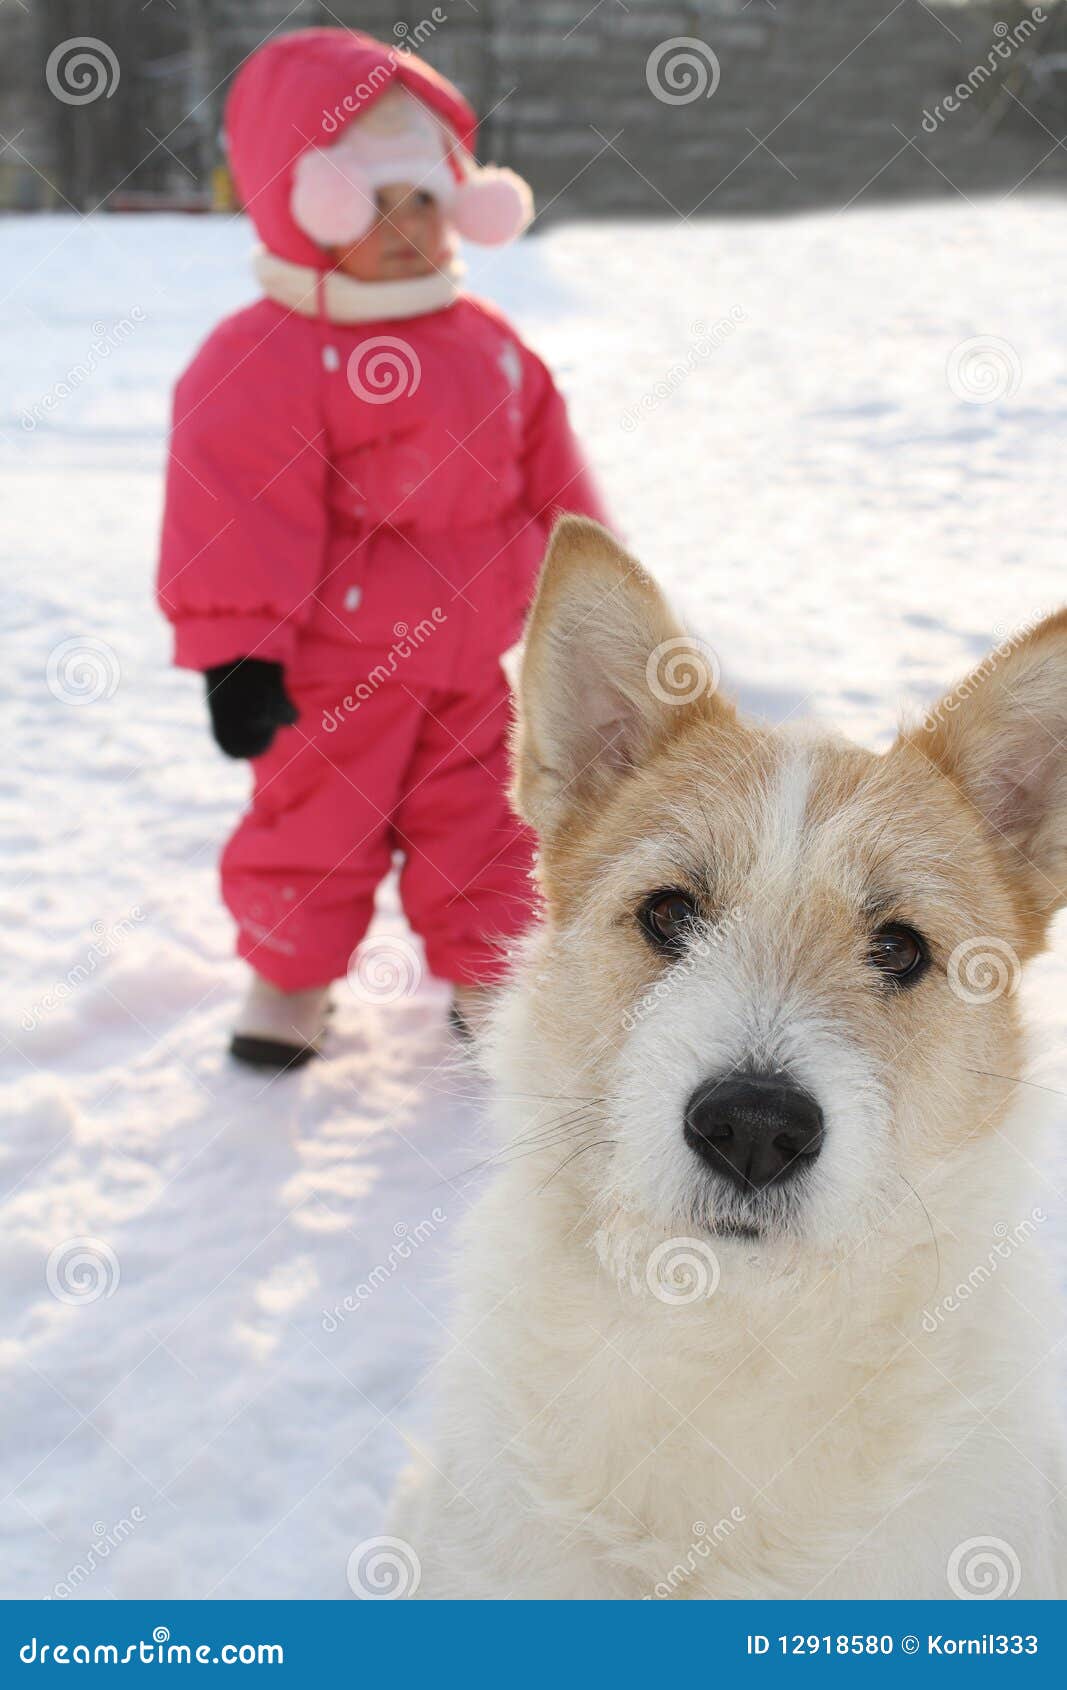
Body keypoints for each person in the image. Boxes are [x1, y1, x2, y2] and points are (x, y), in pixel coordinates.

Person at [157, 28, 607, 1070]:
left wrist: (586, 610)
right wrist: (238, 652)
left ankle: (489, 980)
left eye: (424, 202)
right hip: (330, 672)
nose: (407, 229)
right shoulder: (263, 357)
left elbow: (552, 485)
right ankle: (288, 978)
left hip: (470, 666)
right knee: (311, 831)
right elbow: (231, 510)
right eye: (375, 206)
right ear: (305, 206)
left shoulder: (485, 340)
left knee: (488, 828)